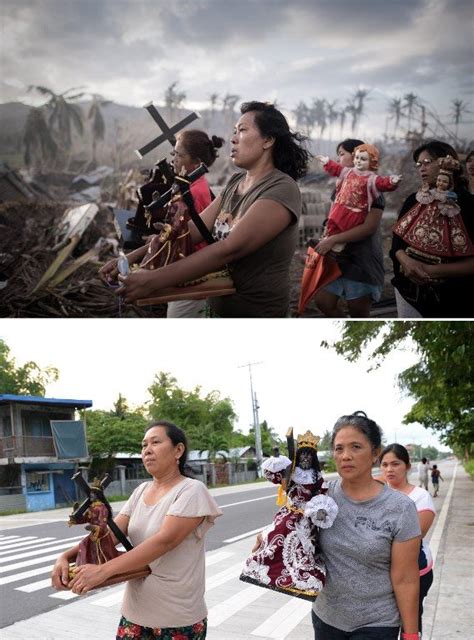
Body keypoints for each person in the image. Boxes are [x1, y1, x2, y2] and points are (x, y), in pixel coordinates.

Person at [113, 101, 311, 317]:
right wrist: (132, 257)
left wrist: (153, 280)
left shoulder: (282, 188)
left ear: (268, 140)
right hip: (217, 308)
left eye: (243, 131)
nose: (233, 139)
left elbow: (229, 249)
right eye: (234, 131)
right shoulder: (235, 182)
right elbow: (191, 231)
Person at [51, 421, 222, 640]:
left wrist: (103, 571)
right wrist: (65, 557)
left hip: (178, 618)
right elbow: (110, 535)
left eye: (156, 442)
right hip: (135, 614)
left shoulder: (192, 490)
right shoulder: (141, 491)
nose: (147, 450)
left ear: (178, 450)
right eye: (144, 445)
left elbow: (164, 541)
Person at [311, 411, 421, 640]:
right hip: (326, 618)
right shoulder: (321, 496)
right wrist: (268, 538)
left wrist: (411, 635)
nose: (346, 456)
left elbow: (406, 578)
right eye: (339, 448)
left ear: (375, 454)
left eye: (356, 447)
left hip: (377, 622)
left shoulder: (400, 508)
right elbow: (293, 530)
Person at [100, 129, 224, 318]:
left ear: (197, 163)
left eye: (179, 154)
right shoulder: (190, 185)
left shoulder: (194, 193)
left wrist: (148, 247)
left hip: (191, 274)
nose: (173, 159)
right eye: (173, 153)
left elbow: (183, 238)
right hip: (183, 270)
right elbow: (177, 233)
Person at [240, 430, 338, 600]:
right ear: (298, 456)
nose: (305, 458)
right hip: (290, 512)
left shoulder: (318, 477)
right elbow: (273, 476)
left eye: (309, 455)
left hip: (307, 517)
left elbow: (321, 495)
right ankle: (263, 566)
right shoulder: (290, 471)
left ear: (313, 458)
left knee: (306, 546)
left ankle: (302, 577)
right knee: (278, 533)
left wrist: (320, 510)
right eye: (303, 455)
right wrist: (280, 462)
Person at [390, 140, 474, 318]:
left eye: (427, 163)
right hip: (408, 292)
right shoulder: (414, 200)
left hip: (453, 299)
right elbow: (396, 243)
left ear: (446, 162)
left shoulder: (468, 205)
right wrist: (406, 262)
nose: (421, 169)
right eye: (419, 164)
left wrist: (429, 271)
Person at [309, 139, 388, 318]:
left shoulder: (373, 187)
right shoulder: (341, 185)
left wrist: (333, 240)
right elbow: (332, 219)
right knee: (323, 302)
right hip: (335, 256)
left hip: (361, 259)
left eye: (342, 154)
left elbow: (369, 228)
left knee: (358, 312)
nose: (339, 159)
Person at [380, 443, 436, 637]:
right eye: (385, 465)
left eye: (395, 464)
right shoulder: (377, 495)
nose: (389, 469)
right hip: (383, 572)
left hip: (415, 573)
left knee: (409, 622)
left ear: (407, 466)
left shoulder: (421, 498)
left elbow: (411, 540)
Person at [316, 144, 401, 251]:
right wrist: (327, 162)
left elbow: (383, 183)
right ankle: (330, 240)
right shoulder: (347, 174)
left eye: (363, 159)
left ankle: (337, 243)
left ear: (371, 162)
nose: (359, 161)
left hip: (355, 213)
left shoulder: (371, 182)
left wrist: (392, 181)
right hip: (341, 208)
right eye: (357, 158)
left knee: (347, 226)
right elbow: (336, 168)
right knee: (333, 222)